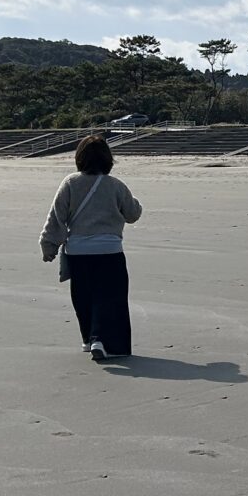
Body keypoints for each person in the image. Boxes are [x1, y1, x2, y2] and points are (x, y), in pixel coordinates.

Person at [40, 134, 143, 361]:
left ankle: (89, 339)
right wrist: (136, 203)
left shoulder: (70, 183)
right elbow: (133, 214)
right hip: (109, 251)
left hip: (78, 252)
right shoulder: (116, 185)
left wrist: (49, 245)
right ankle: (103, 341)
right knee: (110, 297)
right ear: (108, 158)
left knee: (83, 296)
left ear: (80, 157)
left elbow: (56, 217)